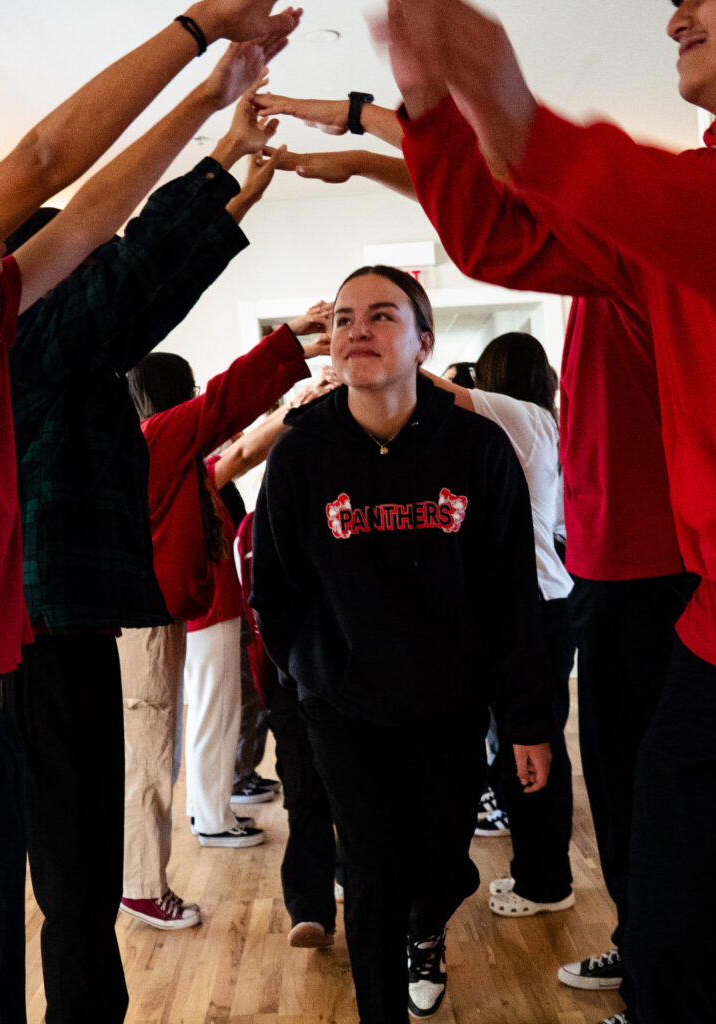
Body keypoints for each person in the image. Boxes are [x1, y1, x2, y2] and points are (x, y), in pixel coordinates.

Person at [0, 5, 300, 1020]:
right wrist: (198, 33)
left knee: (0, 943)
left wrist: (212, 115)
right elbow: (51, 171)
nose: (2, 214)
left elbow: (90, 224)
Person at [384, 2, 716, 1022]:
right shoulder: (688, 197)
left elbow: (634, 195)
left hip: (675, 602)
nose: (674, 17)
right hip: (713, 636)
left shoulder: (696, 202)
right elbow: (499, 235)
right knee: (670, 924)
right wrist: (431, 109)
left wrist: (507, 104)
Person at [251, 265, 552, 1022]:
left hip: (452, 705)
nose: (357, 329)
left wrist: (525, 719)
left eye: (382, 315)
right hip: (346, 709)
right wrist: (314, 676)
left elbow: (511, 593)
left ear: (423, 342)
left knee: (443, 862)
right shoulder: (300, 453)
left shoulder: (477, 447)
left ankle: (427, 926)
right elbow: (277, 592)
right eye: (344, 317)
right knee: (372, 870)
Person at [117, 308, 329, 917]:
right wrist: (293, 344)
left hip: (156, 613)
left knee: (157, 748)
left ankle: (142, 879)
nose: (193, 394)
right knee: (150, 752)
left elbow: (228, 425)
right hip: (149, 619)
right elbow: (225, 406)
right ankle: (141, 886)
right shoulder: (155, 436)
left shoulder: (148, 443)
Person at [432, 332, 575, 916]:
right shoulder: (541, 426)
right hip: (540, 604)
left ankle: (546, 883)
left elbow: (430, 387)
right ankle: (539, 873)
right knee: (528, 745)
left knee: (535, 749)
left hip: (535, 606)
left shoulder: (523, 418)